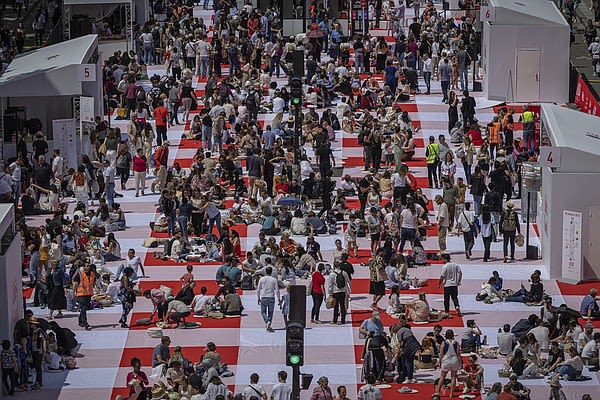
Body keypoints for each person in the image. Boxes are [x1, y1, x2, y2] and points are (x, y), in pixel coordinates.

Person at [434, 329, 462, 398]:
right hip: (454, 360)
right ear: (453, 336)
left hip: (446, 360)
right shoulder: (456, 343)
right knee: (453, 377)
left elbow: (441, 354)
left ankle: (437, 391)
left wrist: (440, 362)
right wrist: (460, 363)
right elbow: (458, 354)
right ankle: (451, 393)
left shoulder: (444, 343)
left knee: (442, 377)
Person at [257, 266, 280, 332]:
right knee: (271, 313)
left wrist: (258, 298)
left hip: (264, 297)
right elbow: (277, 290)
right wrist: (279, 299)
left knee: (263, 312)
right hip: (271, 297)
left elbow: (258, 290)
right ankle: (269, 322)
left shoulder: (262, 279)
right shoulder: (274, 279)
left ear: (265, 272)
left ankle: (267, 322)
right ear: (271, 272)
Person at [72, 263, 95, 330]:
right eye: (87, 266)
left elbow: (93, 283)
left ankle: (80, 321)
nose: (88, 267)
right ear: (84, 267)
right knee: (84, 308)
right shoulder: (80, 274)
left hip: (89, 294)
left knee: (83, 308)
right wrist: (74, 292)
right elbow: (75, 283)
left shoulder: (92, 274)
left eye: (89, 266)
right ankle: (85, 322)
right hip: (81, 294)